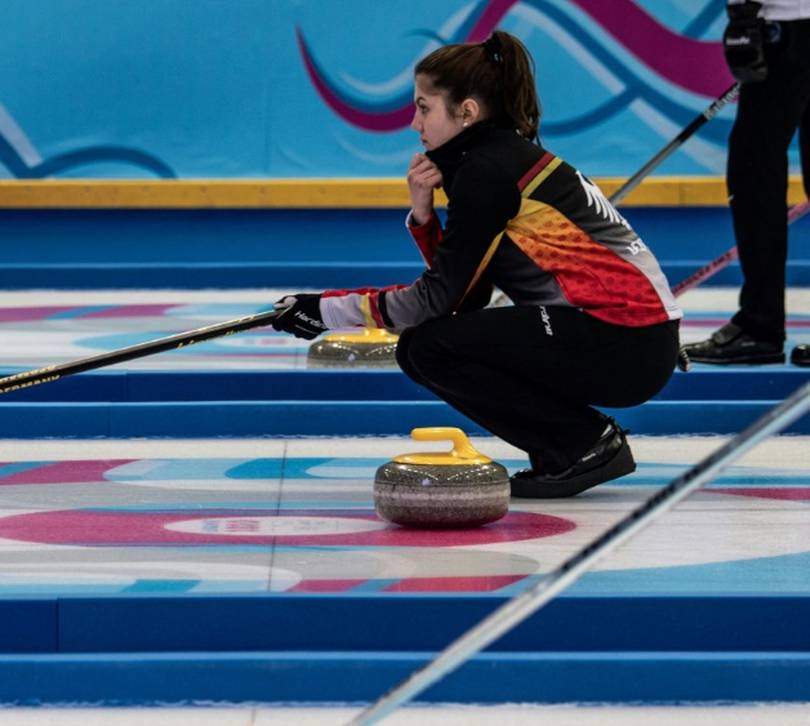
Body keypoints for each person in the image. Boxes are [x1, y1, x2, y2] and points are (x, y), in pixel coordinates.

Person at [270, 30, 682, 498]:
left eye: (424, 107)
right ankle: (578, 441)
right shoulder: (496, 159)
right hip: (634, 342)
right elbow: (468, 296)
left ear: (467, 111)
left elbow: (437, 300)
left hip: (622, 344)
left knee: (427, 348)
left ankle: (581, 443)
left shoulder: (487, 174)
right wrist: (424, 217)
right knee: (435, 343)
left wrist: (325, 310)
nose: (413, 123)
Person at [683, 0, 810, 366]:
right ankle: (759, 324)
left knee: (755, 178)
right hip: (789, 26)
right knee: (757, 173)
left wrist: (743, 13)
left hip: (787, 28)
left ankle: (759, 326)